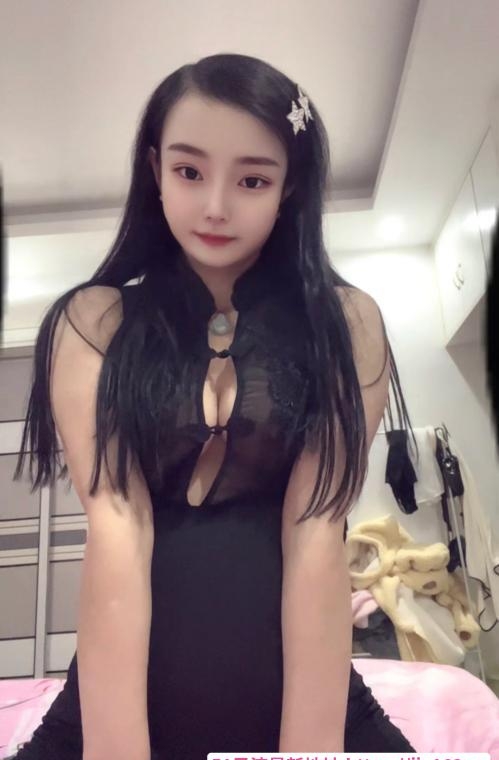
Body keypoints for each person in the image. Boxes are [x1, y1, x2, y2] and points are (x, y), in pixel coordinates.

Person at [12, 53, 417, 758]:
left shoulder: (344, 323)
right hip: (115, 705)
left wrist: (308, 752)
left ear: (289, 187)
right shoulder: (94, 322)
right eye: (189, 171)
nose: (216, 206)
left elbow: (316, 531)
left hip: (311, 700)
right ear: (155, 169)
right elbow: (117, 526)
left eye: (252, 179)